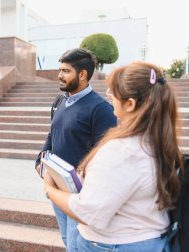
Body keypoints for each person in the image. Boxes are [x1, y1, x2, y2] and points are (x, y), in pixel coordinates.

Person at [43, 61, 182, 251]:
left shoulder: (124, 150)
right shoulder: (157, 140)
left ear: (130, 103)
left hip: (116, 244)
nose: (108, 95)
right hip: (145, 239)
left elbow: (88, 212)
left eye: (113, 91)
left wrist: (49, 189)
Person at [35, 48, 117, 251]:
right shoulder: (60, 102)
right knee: (67, 241)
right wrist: (41, 162)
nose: (60, 75)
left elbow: (107, 153)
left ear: (82, 74)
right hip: (57, 189)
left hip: (81, 196)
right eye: (60, 70)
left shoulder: (101, 109)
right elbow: (52, 135)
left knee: (75, 246)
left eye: (66, 71)